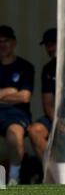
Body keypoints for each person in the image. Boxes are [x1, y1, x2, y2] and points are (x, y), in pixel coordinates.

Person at [0, 25, 34, 185]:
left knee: (14, 133)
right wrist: (10, 90)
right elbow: (17, 94)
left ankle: (14, 178)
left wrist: (11, 94)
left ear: (13, 43)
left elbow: (25, 97)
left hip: (16, 114)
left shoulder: (25, 67)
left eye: (6, 41)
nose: (2, 45)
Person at [27, 28, 57, 178]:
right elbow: (48, 103)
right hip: (57, 119)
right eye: (47, 45)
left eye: (53, 44)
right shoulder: (48, 69)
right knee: (34, 130)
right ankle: (52, 174)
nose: (50, 49)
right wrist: (60, 125)